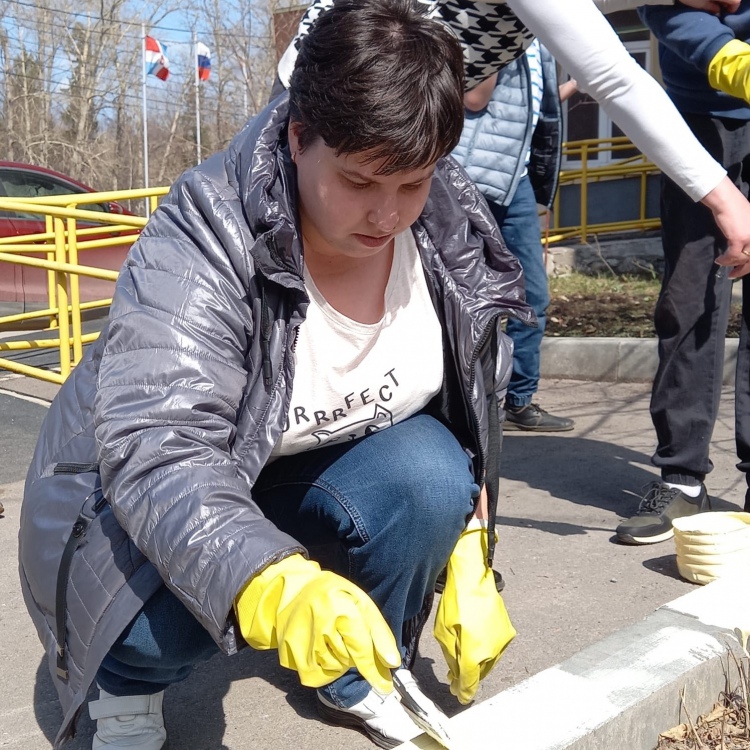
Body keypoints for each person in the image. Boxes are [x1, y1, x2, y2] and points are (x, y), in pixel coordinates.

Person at [18, 1, 528, 749]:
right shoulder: (205, 232)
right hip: (138, 496)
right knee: (153, 621)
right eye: (359, 182)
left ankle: (356, 666)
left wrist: (470, 543)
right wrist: (275, 588)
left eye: (413, 183)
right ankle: (126, 686)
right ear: (297, 136)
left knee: (431, 477)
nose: (389, 216)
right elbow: (161, 446)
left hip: (301, 472)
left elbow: (471, 398)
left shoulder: (447, 223)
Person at [276, 0, 750, 279]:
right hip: (323, 109)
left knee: (392, 271)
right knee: (303, 267)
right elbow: (613, 77)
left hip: (410, 128)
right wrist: (724, 197)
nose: (729, 7)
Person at [615, 2, 750, 545]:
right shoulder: (670, 9)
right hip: (695, 126)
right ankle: (682, 477)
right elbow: (696, 36)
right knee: (688, 301)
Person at [452, 39, 576, 431]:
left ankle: (519, 401)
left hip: (514, 181)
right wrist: (504, 39)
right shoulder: (495, 27)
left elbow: (534, 107)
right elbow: (474, 98)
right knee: (466, 296)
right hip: (472, 174)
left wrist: (578, 83)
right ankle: (459, 404)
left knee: (532, 295)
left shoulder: (540, 42)